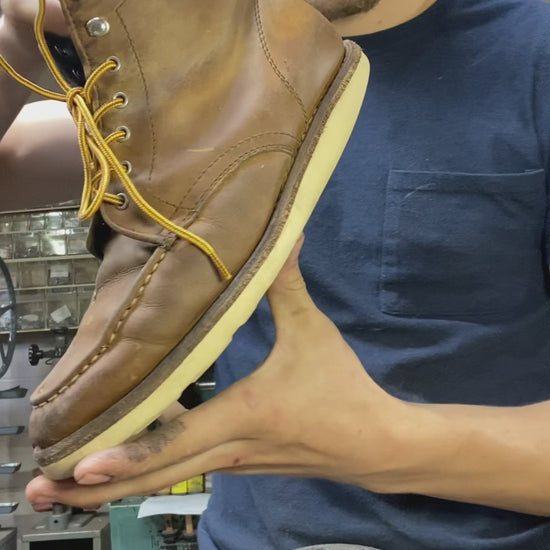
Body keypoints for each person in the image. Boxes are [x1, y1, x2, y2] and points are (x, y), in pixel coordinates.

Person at [2, 0, 550, 548]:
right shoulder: (207, 70)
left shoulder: (532, 48)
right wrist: (16, 28)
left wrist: (390, 444)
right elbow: (13, 162)